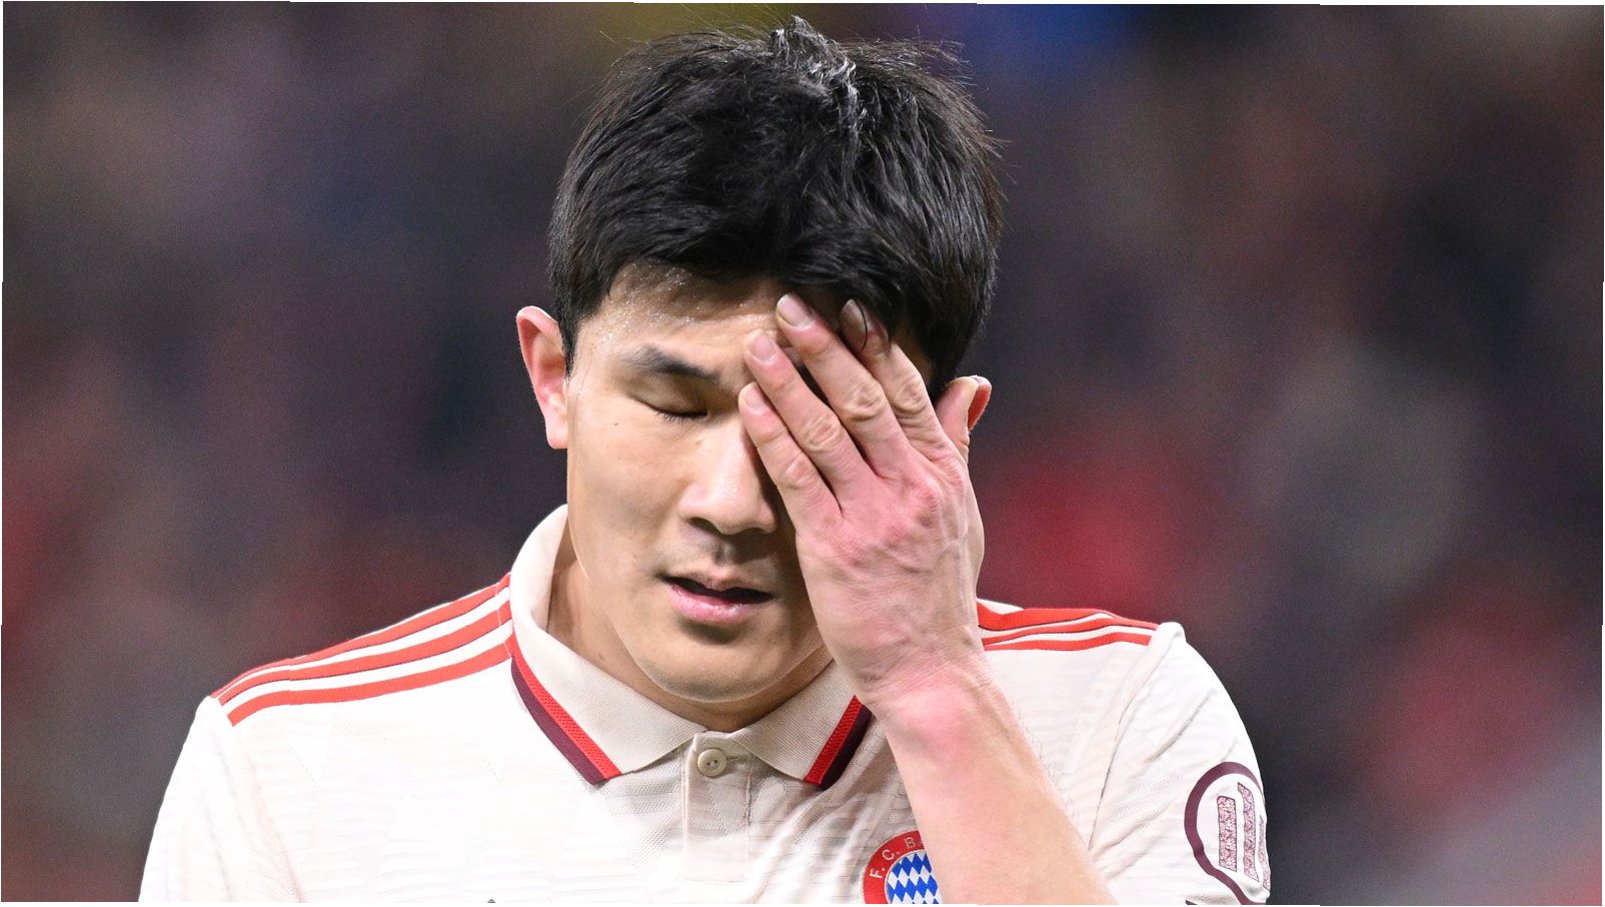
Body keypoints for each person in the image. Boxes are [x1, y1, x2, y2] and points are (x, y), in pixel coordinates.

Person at [142, 19, 1268, 904]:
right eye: (675, 404)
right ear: (553, 376)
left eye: (816, 424)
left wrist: (937, 696)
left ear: (947, 436)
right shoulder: (285, 773)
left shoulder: (1121, 720)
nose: (731, 503)